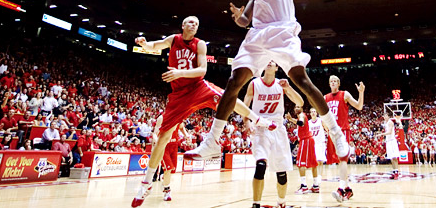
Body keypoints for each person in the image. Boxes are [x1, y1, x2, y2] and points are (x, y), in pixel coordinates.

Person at [185, 0, 352, 182]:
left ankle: (334, 133)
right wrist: (239, 16)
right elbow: (244, 22)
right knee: (234, 81)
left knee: (302, 80)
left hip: (281, 32)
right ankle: (213, 141)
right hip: (257, 36)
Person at [130, 15, 269, 207]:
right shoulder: (174, 39)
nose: (194, 25)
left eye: (196, 23)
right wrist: (145, 44)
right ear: (183, 25)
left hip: (197, 87)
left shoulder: (200, 44)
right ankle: (146, 183)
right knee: (162, 138)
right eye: (190, 22)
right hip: (178, 95)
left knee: (228, 97)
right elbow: (155, 46)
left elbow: (202, 70)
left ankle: (256, 119)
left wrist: (179, 73)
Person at [244, 61, 303, 208]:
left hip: (277, 128)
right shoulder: (254, 83)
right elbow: (245, 105)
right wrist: (247, 122)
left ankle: (281, 202)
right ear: (263, 65)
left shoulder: (281, 84)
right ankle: (256, 204)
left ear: (277, 68)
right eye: (267, 61)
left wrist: (288, 88)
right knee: (261, 165)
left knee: (281, 173)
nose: (269, 62)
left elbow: (300, 102)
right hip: (260, 128)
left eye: (273, 62)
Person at [324, 74, 365, 201]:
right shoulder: (325, 98)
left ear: (339, 83)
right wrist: (325, 127)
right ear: (329, 83)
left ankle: (341, 189)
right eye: (331, 81)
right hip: (332, 132)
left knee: (343, 160)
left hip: (343, 130)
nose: (333, 82)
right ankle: (348, 190)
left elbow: (359, 106)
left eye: (336, 81)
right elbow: (322, 115)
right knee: (338, 161)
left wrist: (361, 93)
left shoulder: (345, 94)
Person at [286, 105, 320, 194]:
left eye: (298, 106)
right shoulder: (302, 115)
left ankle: (304, 186)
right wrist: (291, 119)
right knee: (313, 163)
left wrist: (295, 120)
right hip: (309, 139)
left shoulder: (301, 115)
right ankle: (316, 185)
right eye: (295, 107)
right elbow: (299, 122)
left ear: (301, 108)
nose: (296, 108)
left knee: (300, 163)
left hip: (306, 140)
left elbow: (301, 123)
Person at [378, 111, 403, 178]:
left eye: (385, 116)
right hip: (388, 141)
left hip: (392, 141)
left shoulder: (390, 122)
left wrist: (381, 134)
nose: (384, 117)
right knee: (391, 157)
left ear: (388, 116)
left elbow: (389, 132)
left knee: (394, 157)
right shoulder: (386, 123)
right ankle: (394, 171)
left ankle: (396, 171)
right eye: (384, 116)